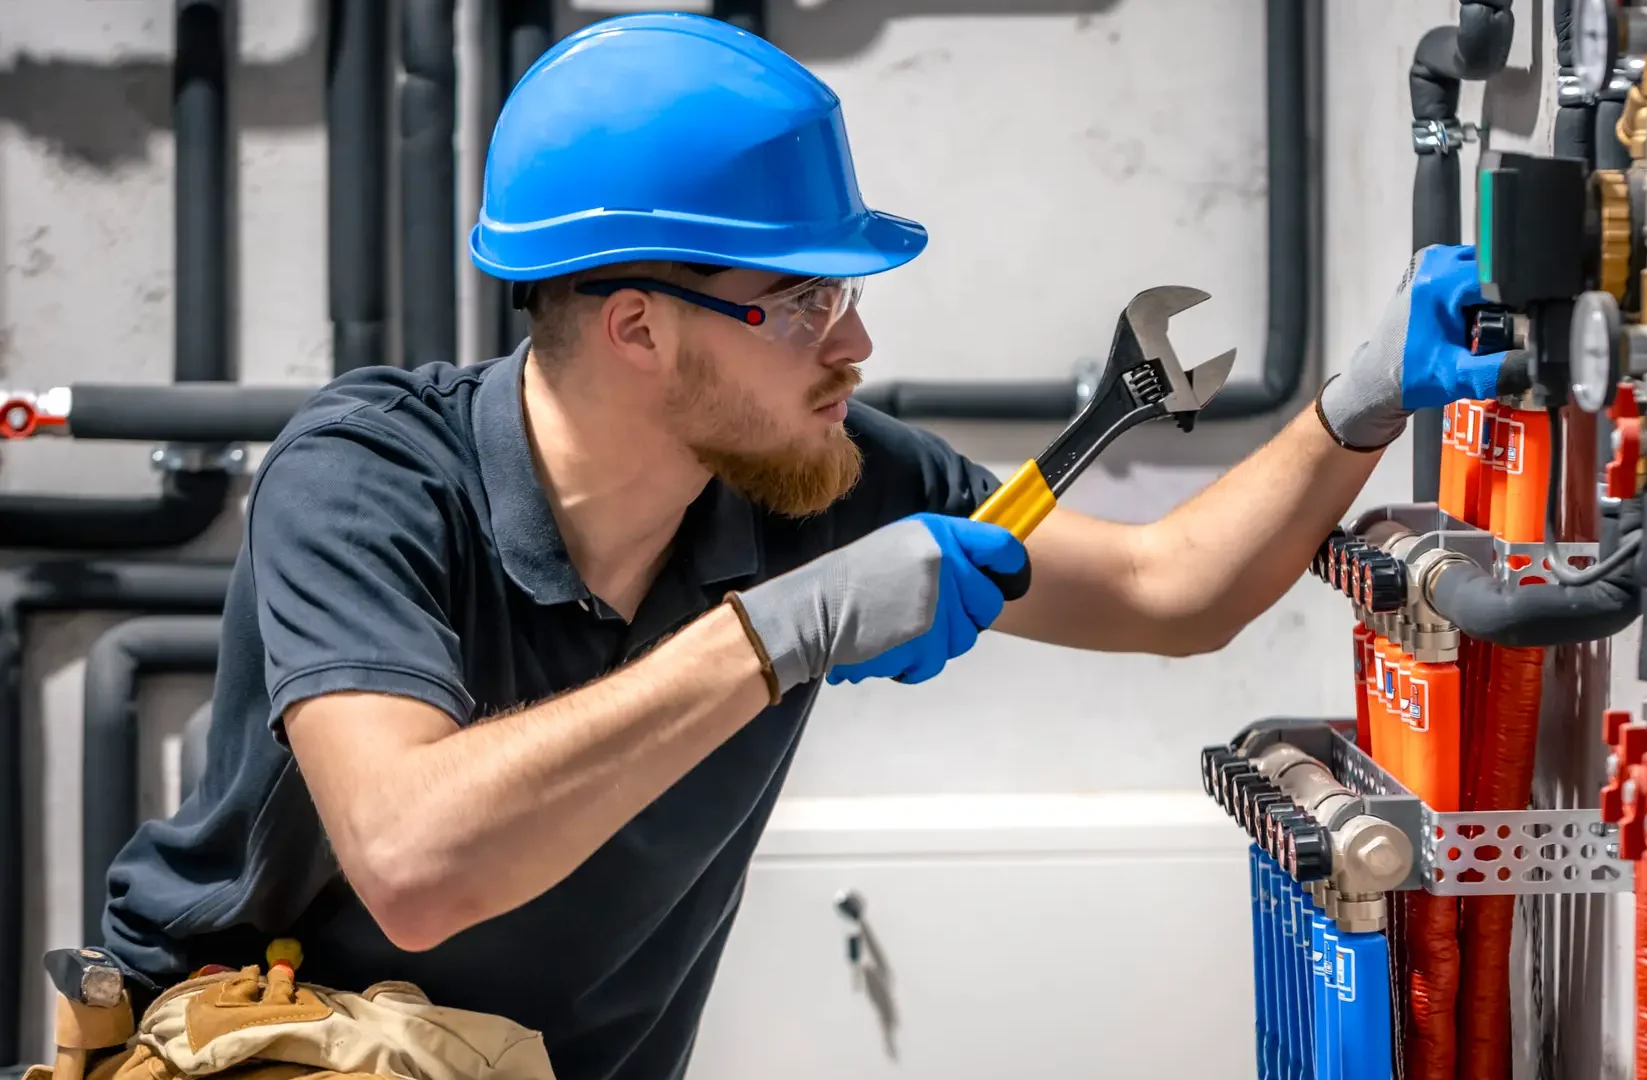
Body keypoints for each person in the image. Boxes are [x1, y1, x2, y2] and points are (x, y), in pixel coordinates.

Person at [99, 12, 1510, 1080]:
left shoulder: (818, 477)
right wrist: (780, 634)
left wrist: (1353, 404)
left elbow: (1168, 588)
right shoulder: (366, 478)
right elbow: (415, 863)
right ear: (636, 327)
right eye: (802, 300)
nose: (860, 343)